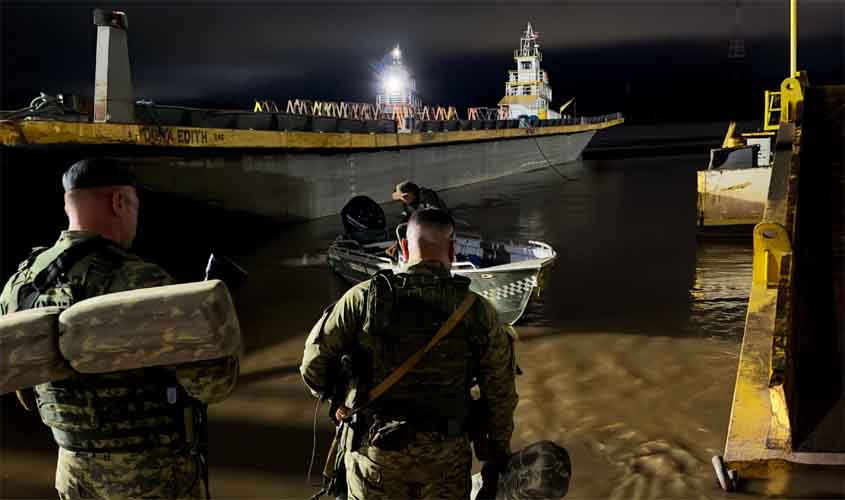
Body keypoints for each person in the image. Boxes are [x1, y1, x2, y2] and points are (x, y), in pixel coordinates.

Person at [0, 158, 238, 499]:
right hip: (149, 473)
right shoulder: (140, 280)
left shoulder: (21, 282)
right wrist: (219, 327)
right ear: (119, 202)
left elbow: (23, 386)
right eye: (135, 207)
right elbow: (211, 385)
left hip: (72, 469)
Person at [301, 208, 517, 500]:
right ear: (452, 249)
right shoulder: (477, 311)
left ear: (403, 246)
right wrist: (499, 455)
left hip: (376, 456)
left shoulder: (361, 299)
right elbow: (500, 393)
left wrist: (336, 399)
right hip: (445, 463)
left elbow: (312, 365)